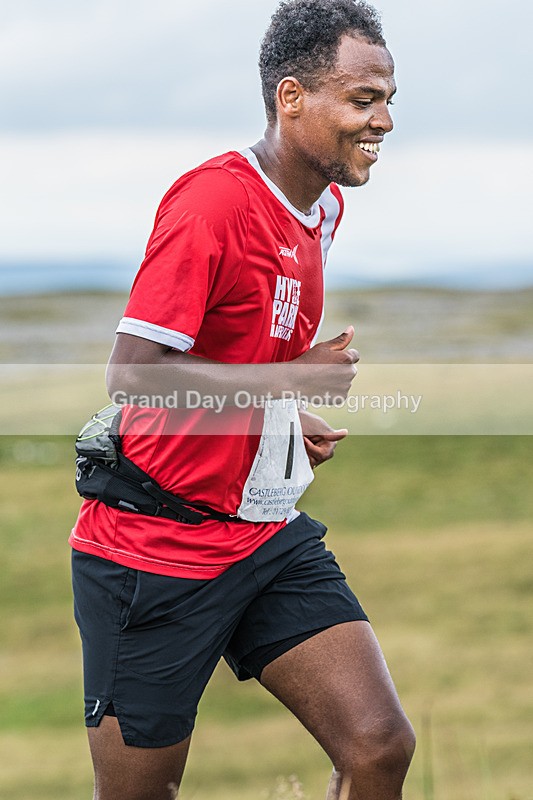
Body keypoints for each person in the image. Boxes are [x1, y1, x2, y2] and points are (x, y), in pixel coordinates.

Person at [70, 1, 416, 798]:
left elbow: (237, 354)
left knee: (377, 746)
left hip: (264, 539)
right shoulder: (212, 203)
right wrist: (288, 381)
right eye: (362, 99)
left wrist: (281, 417)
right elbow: (132, 377)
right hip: (152, 552)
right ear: (290, 98)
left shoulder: (321, 208)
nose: (384, 120)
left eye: (389, 98)